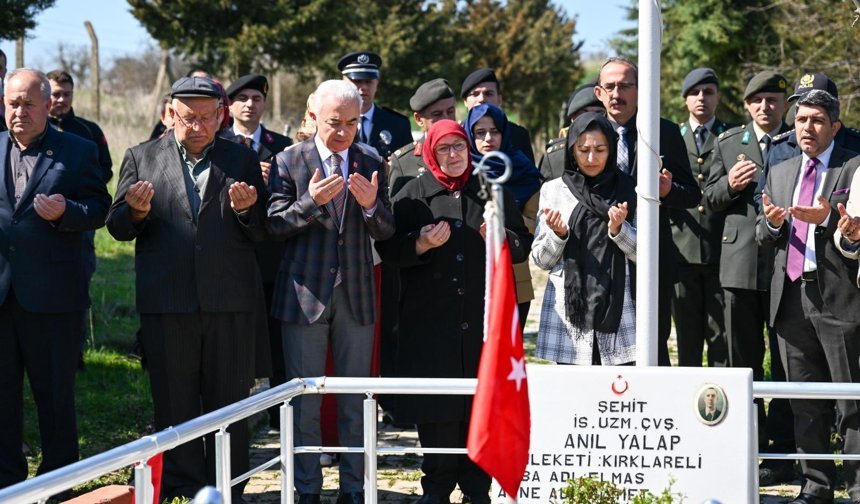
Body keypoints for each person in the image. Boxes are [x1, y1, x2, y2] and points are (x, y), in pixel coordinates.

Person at [106, 75, 268, 502]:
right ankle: (182, 483)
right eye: (187, 117)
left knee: (228, 403)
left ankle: (228, 484)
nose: (196, 126)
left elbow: (264, 230)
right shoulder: (141, 157)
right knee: (173, 399)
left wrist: (248, 210)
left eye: (205, 117)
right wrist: (136, 213)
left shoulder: (242, 160)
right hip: (168, 301)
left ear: (220, 116)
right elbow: (117, 226)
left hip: (228, 301)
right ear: (169, 114)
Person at [375, 119, 529, 504]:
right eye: (444, 149)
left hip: (480, 326)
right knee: (439, 409)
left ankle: (478, 488)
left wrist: (498, 236)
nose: (454, 155)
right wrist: (420, 244)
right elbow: (390, 251)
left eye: (459, 147)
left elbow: (521, 246)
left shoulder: (490, 191)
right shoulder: (412, 195)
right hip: (430, 325)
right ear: (429, 152)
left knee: (478, 405)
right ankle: (438, 487)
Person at [267, 80, 394, 504]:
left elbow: (388, 230)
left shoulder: (372, 160)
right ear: (313, 114)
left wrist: (374, 206)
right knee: (303, 401)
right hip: (304, 295)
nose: (342, 132)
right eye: (334, 122)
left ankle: (355, 490)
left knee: (356, 400)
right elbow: (273, 226)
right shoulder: (288, 160)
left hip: (356, 294)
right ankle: (306, 491)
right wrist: (310, 203)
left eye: (352, 123)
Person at [0, 68, 110, 489]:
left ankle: (59, 482)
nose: (20, 111)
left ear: (49, 104)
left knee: (55, 398)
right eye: (13, 103)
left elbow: (101, 208)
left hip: (54, 297)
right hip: (2, 296)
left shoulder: (78, 150)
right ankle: (8, 482)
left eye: (29, 103)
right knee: (2, 397)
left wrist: (67, 212)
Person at [758, 89, 860, 504]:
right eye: (801, 120)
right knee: (804, 401)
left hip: (838, 297)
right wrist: (771, 225)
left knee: (851, 400)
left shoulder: (851, 168)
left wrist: (828, 225)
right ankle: (816, 485)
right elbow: (764, 237)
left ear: (834, 126)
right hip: (791, 299)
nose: (807, 128)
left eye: (817, 120)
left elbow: (853, 231)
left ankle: (856, 488)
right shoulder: (780, 172)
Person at [703, 70, 794, 483]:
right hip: (738, 268)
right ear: (746, 106)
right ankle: (746, 447)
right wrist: (729, 183)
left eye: (773, 99)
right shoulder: (727, 143)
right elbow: (707, 199)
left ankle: (781, 454)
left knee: (789, 363)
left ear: (784, 105)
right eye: (757, 100)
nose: (765, 107)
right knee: (743, 363)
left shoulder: (798, 142)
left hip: (784, 266)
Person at [593, 56, 700, 365]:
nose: (617, 94)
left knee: (653, 344)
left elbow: (691, 194)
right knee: (603, 347)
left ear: (640, 90)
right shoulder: (588, 133)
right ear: (599, 92)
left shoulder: (663, 131)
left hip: (652, 258)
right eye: (610, 87)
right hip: (601, 257)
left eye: (625, 86)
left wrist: (668, 191)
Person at [531, 112, 637, 365]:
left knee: (616, 397)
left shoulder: (628, 188)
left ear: (611, 150)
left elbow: (644, 254)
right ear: (571, 150)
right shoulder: (554, 190)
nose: (591, 158)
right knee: (572, 400)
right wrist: (559, 236)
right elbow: (541, 260)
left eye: (600, 149)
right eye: (583, 149)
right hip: (569, 317)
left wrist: (618, 230)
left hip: (617, 313)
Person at [223, 73, 294, 432]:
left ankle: (279, 415)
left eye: (257, 98)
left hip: (270, 258)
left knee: (275, 338)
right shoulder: (216, 142)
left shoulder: (281, 146)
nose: (250, 104)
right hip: (227, 258)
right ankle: (234, 415)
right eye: (243, 98)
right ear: (229, 105)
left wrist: (273, 181)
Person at [670, 68, 732, 368]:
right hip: (681, 251)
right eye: (695, 93)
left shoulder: (732, 136)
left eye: (708, 92)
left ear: (717, 96)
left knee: (721, 337)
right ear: (685, 100)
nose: (702, 98)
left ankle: (719, 408)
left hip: (720, 250)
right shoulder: (671, 136)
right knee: (687, 337)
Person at [464, 103, 541, 327]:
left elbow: (535, 223)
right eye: (480, 132)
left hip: (514, 276)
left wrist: (503, 227)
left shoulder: (521, 168)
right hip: (470, 277)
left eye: (495, 131)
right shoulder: (462, 171)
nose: (488, 138)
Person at [389, 78, 457, 197]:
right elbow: (395, 212)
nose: (446, 118)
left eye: (450, 111)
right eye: (437, 114)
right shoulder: (403, 162)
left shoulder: (465, 152)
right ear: (419, 119)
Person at [338, 51, 412, 157]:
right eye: (357, 81)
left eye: (368, 82)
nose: (364, 87)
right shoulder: (331, 122)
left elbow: (409, 166)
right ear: (343, 82)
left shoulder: (398, 124)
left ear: (377, 83)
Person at [460, 67, 535, 163]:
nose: (481, 99)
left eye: (488, 94)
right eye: (475, 94)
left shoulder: (518, 135)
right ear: (465, 101)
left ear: (500, 99)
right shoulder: (458, 135)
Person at [539, 83, 605, 181]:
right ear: (573, 119)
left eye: (599, 113)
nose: (591, 119)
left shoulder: (617, 150)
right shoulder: (555, 158)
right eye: (584, 113)